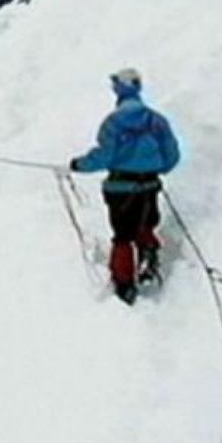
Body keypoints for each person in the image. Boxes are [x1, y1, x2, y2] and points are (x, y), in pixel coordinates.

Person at [68, 67, 180, 305]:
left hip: (120, 188)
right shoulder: (156, 120)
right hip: (149, 184)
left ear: (119, 91)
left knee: (122, 235)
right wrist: (153, 168)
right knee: (145, 223)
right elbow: (171, 157)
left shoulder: (113, 123)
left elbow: (104, 156)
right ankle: (149, 254)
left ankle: (125, 284)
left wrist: (78, 165)